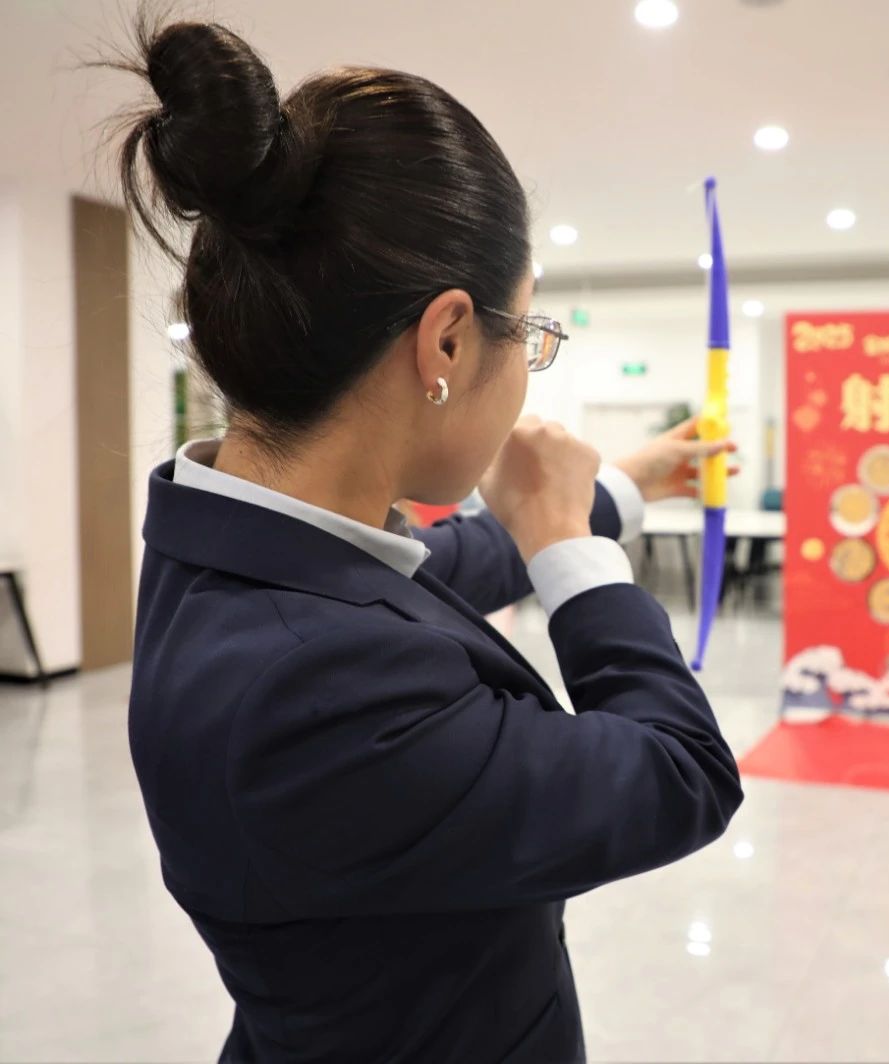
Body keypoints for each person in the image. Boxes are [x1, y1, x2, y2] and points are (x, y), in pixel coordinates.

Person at [115, 15, 743, 1063]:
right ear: (446, 339)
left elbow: (430, 577)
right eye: (528, 332)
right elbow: (680, 773)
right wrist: (571, 553)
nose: (527, 364)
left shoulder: (228, 535)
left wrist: (618, 490)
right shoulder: (311, 691)